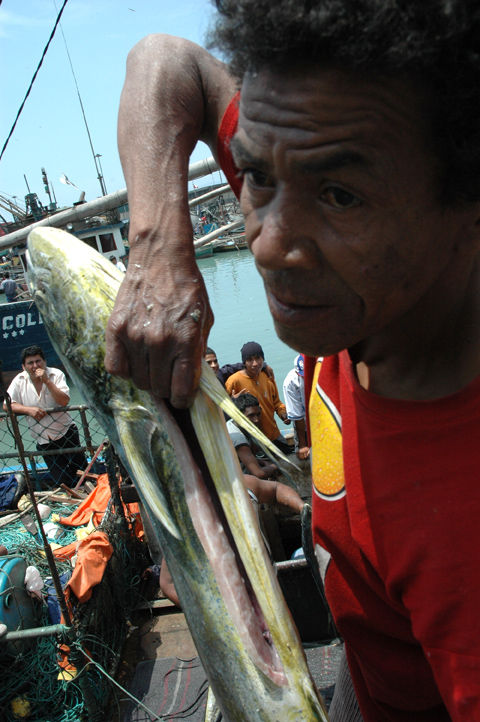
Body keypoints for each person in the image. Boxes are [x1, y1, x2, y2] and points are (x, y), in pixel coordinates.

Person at [104, 5, 480, 720]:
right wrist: (156, 244)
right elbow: (167, 61)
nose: (270, 245)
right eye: (254, 177)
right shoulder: (365, 290)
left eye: (339, 195)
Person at [160, 471, 304, 607]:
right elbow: (167, 583)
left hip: (268, 591)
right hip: (227, 605)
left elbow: (276, 490)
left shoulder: (242, 485)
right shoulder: (185, 514)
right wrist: (209, 612)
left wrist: (302, 507)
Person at [5, 346, 87, 487]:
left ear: (45, 362)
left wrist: (47, 381)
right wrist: (28, 410)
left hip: (66, 432)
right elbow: (7, 405)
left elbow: (64, 401)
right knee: (61, 481)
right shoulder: (19, 380)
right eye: (30, 363)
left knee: (83, 473)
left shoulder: (56, 374)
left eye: (38, 361)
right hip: (42, 438)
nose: (35, 366)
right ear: (23, 366)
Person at [225, 342, 292, 453]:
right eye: (250, 360)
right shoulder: (234, 381)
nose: (255, 364)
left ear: (263, 359)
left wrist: (283, 414)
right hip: (253, 441)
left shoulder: (267, 376)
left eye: (258, 358)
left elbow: (276, 402)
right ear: (244, 363)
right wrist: (233, 401)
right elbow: (224, 412)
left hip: (273, 435)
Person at [227, 392, 279, 479]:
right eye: (251, 416)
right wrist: (275, 466)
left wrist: (259, 461)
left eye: (258, 414)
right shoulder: (238, 438)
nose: (256, 420)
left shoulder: (233, 423)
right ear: (238, 415)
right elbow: (259, 473)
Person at [282, 355, 310, 460]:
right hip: (304, 423)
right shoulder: (290, 383)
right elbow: (298, 417)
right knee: (304, 456)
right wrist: (303, 445)